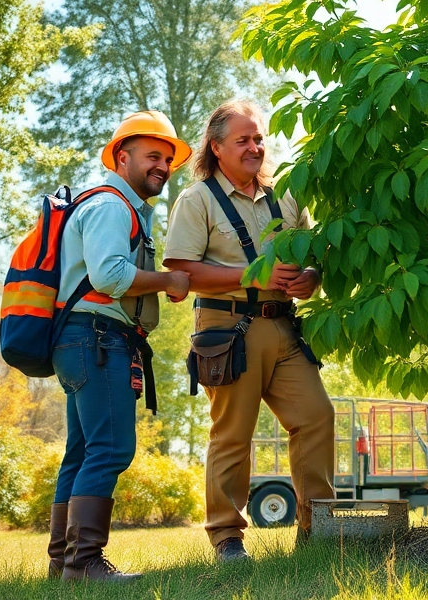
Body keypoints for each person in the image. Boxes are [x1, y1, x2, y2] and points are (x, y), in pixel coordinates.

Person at [163, 99, 334, 562]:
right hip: (227, 326)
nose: (255, 147)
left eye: (258, 138)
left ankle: (318, 530)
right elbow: (180, 271)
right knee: (233, 432)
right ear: (217, 148)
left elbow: (313, 257)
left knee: (317, 416)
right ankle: (227, 538)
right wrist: (250, 275)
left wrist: (311, 279)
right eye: (243, 140)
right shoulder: (196, 199)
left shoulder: (286, 194)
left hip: (284, 325)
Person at [50, 111, 192, 582]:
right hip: (96, 337)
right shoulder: (113, 205)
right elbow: (109, 276)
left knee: (82, 451)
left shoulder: (111, 205)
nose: (162, 166)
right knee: (110, 449)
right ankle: (86, 563)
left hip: (79, 339)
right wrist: (169, 279)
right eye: (153, 155)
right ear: (122, 156)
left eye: (168, 159)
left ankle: (63, 563)